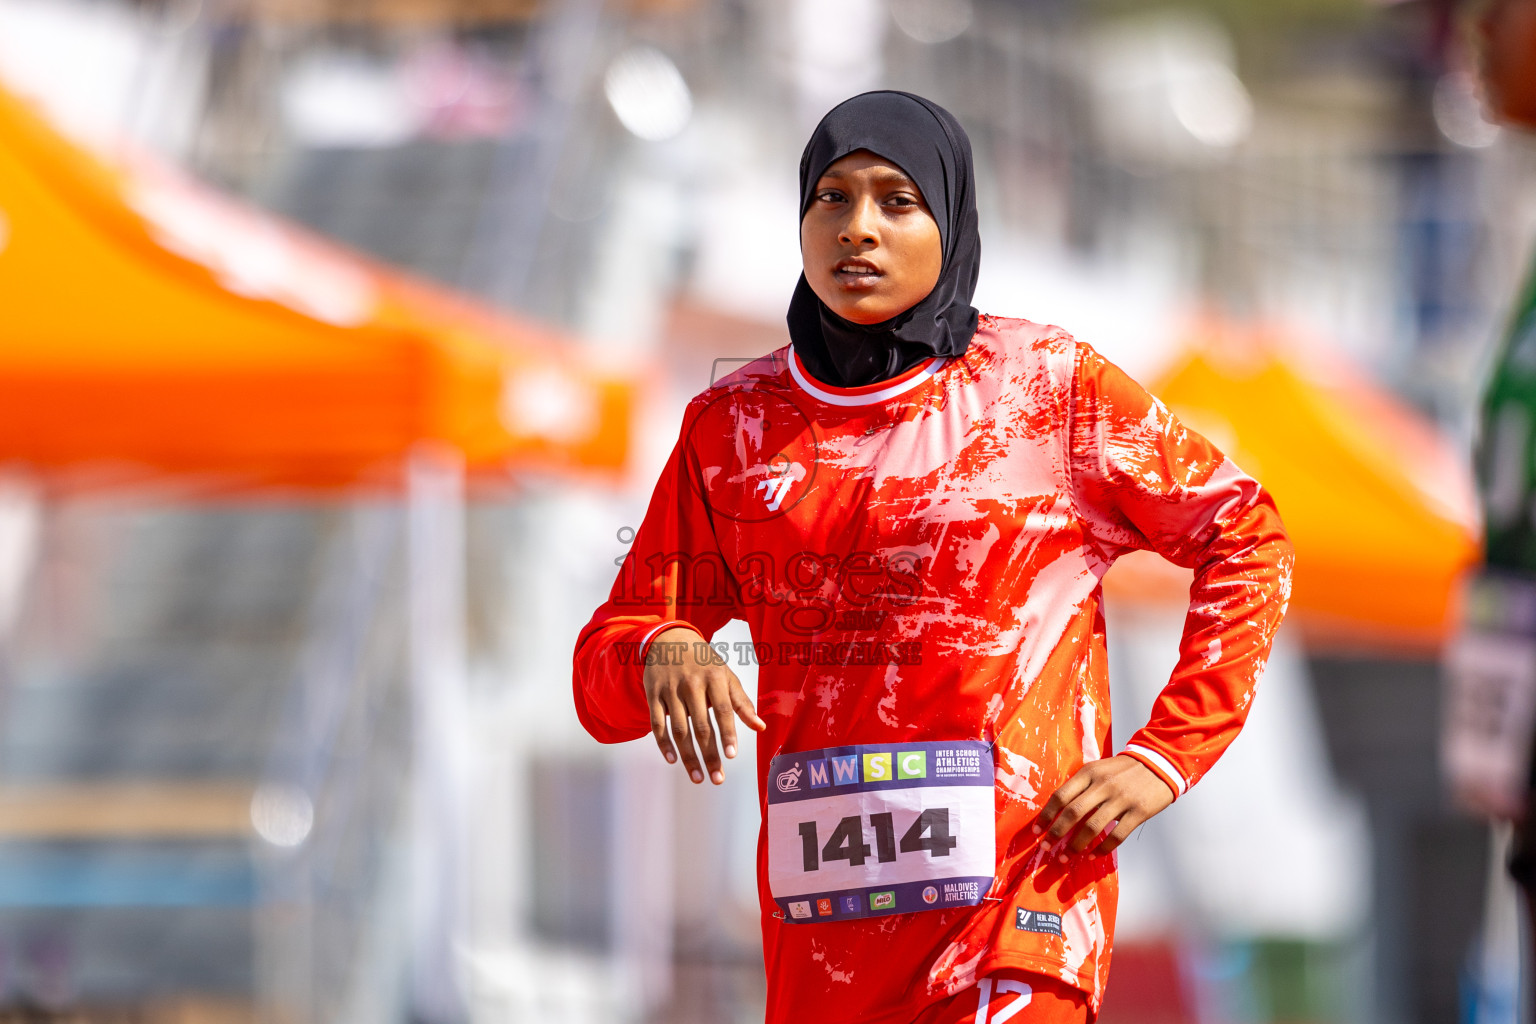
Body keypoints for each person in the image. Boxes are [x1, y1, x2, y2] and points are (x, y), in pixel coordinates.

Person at [573, 91, 1293, 1023]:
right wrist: (660, 648)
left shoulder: (1047, 389)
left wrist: (1169, 752)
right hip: (827, 958)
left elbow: (1245, 534)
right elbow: (603, 678)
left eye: (896, 201)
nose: (857, 229)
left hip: (1018, 927)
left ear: (951, 221)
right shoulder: (733, 428)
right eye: (830, 198)